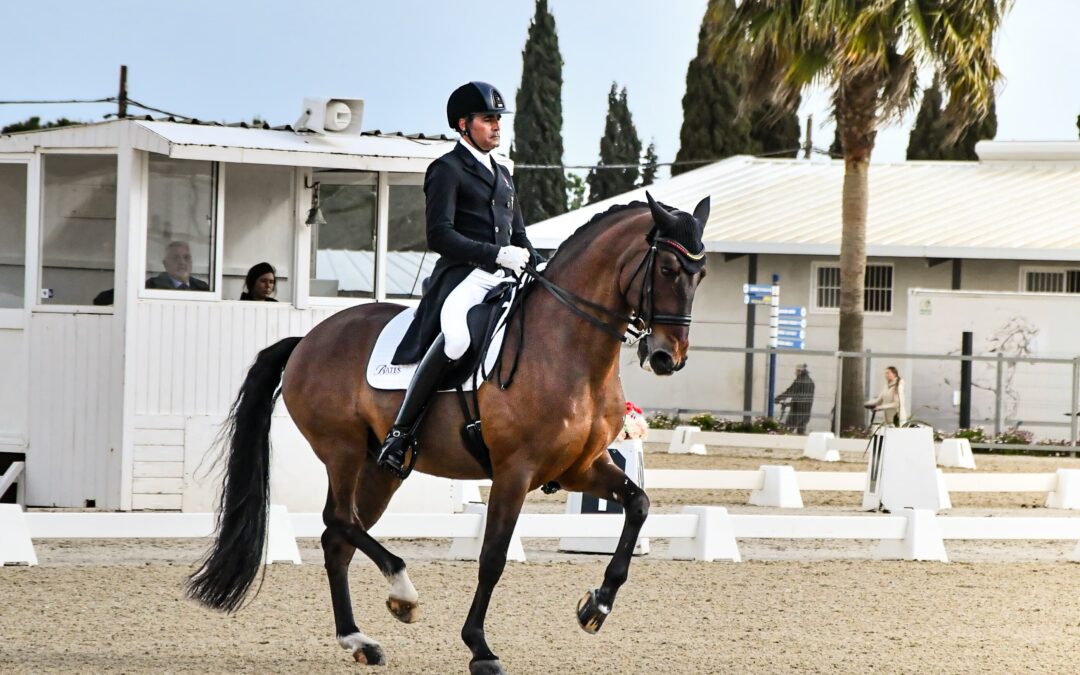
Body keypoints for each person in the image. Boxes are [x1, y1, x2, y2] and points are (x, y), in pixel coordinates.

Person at [376, 81, 541, 478]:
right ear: (464, 125)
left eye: (498, 119)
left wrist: (537, 263)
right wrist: (494, 253)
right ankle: (401, 433)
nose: (497, 126)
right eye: (488, 119)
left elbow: (517, 234)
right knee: (457, 338)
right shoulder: (447, 170)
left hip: (504, 274)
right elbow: (440, 235)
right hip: (464, 275)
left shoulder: (502, 173)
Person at [146, 241, 210, 291]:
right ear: (165, 264)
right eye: (176, 258)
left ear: (191, 262)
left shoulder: (202, 288)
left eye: (186, 257)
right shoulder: (152, 286)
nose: (182, 262)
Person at [775, 363, 815, 434]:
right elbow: (806, 396)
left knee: (788, 429)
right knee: (801, 430)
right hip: (807, 410)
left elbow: (791, 391)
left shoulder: (799, 380)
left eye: (796, 371)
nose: (795, 373)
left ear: (800, 371)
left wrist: (778, 398)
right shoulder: (811, 381)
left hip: (797, 409)